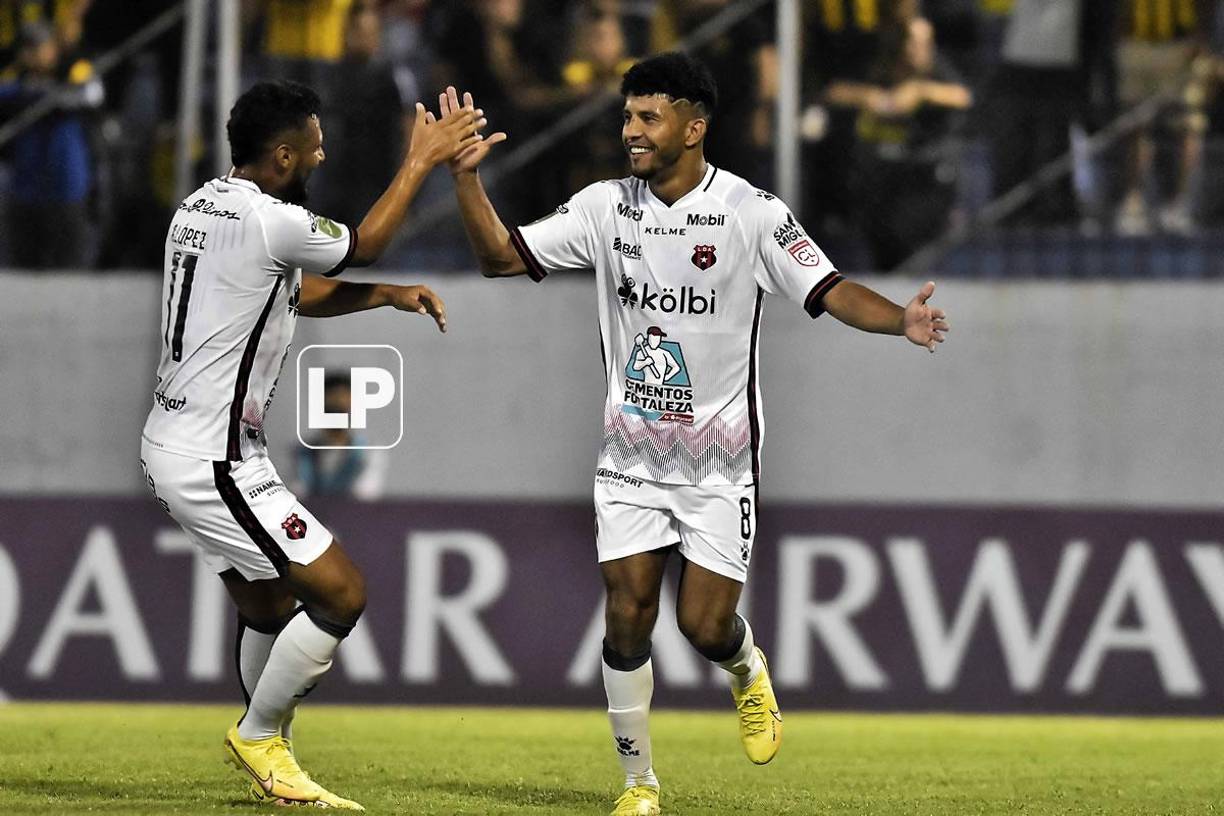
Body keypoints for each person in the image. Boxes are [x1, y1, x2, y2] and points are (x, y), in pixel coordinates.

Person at [435, 52, 948, 816]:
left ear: (694, 125)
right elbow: (499, 258)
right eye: (628, 116)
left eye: (649, 117)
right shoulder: (605, 207)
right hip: (631, 454)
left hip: (719, 461)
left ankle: (744, 668)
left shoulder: (751, 213)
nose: (631, 131)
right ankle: (639, 786)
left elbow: (830, 289)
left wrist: (898, 320)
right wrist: (467, 179)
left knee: (702, 626)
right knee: (627, 609)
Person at [138, 79, 483, 810]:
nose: (323, 153)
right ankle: (261, 737)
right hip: (214, 457)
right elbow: (362, 244)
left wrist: (385, 295)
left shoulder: (199, 206)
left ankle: (273, 757)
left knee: (267, 608)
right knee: (340, 592)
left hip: (179, 441)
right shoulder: (272, 220)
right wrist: (419, 160)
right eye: (315, 144)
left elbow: (289, 292)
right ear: (285, 154)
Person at [294, 374, 389, 500]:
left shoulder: (369, 451)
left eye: (343, 407)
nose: (337, 411)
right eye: (331, 406)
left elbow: (365, 494)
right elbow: (296, 493)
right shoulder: (303, 453)